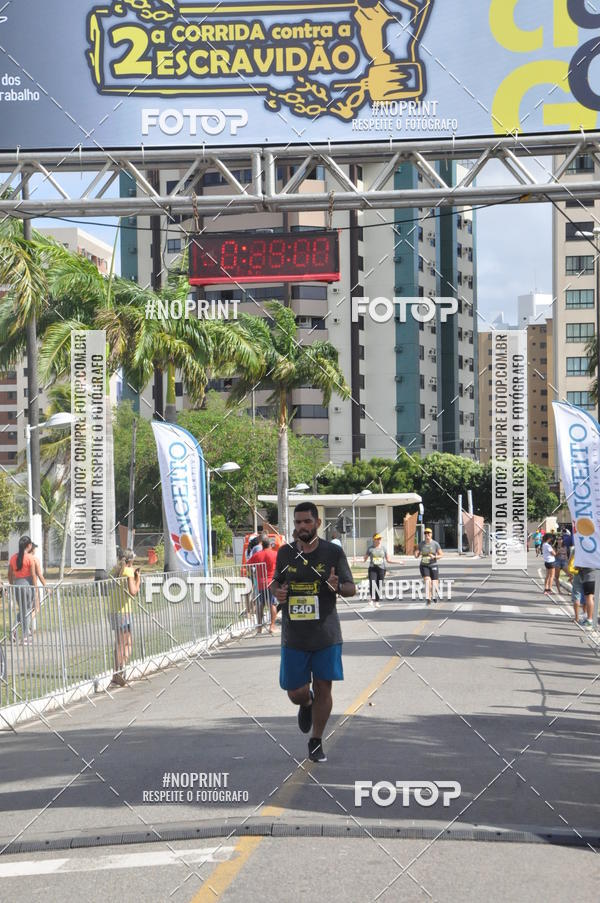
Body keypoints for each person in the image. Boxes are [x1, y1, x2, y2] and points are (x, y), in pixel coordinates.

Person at [272, 502, 355, 763]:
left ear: (317, 523)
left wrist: (337, 585)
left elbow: (351, 587)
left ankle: (317, 740)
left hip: (325, 634)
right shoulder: (285, 553)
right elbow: (276, 581)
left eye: (307, 522)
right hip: (294, 636)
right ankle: (306, 704)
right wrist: (278, 591)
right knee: (296, 692)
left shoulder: (332, 553)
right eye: (298, 523)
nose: (302, 527)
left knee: (323, 687)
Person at [107, 549, 140, 687]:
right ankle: (120, 669)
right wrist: (138, 578)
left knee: (120, 642)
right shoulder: (128, 572)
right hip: (123, 611)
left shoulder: (115, 571)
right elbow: (133, 592)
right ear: (130, 560)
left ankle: (118, 671)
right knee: (126, 643)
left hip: (114, 610)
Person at [7, 536, 37, 644]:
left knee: (23, 610)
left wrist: (12, 584)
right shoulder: (30, 558)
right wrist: (36, 588)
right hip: (28, 585)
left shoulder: (13, 558)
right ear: (29, 545)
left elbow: (9, 574)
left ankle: (13, 630)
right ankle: (25, 636)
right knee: (28, 610)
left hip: (17, 585)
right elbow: (33, 575)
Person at [251, 536, 279, 635]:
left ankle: (259, 627)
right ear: (270, 545)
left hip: (261, 583)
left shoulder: (257, 555)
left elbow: (248, 565)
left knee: (260, 605)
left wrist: (254, 574)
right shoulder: (275, 554)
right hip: (272, 583)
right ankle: (272, 626)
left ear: (262, 545)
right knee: (272, 604)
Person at [363, 533, 392, 608]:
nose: (379, 540)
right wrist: (356, 560)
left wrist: (399, 562)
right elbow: (364, 559)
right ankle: (372, 599)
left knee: (379, 585)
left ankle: (377, 601)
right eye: (377, 539)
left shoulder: (383, 548)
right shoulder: (370, 548)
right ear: (374, 539)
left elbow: (388, 560)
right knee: (373, 583)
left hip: (381, 569)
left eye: (380, 538)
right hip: (372, 568)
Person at [414, 527, 443, 604]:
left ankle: (434, 595)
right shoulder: (421, 544)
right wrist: (416, 553)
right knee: (428, 581)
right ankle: (429, 598)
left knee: (434, 584)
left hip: (433, 565)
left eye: (428, 533)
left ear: (431, 534)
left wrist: (435, 557)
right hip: (424, 565)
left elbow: (441, 555)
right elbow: (416, 555)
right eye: (425, 533)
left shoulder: (435, 544)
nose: (427, 535)